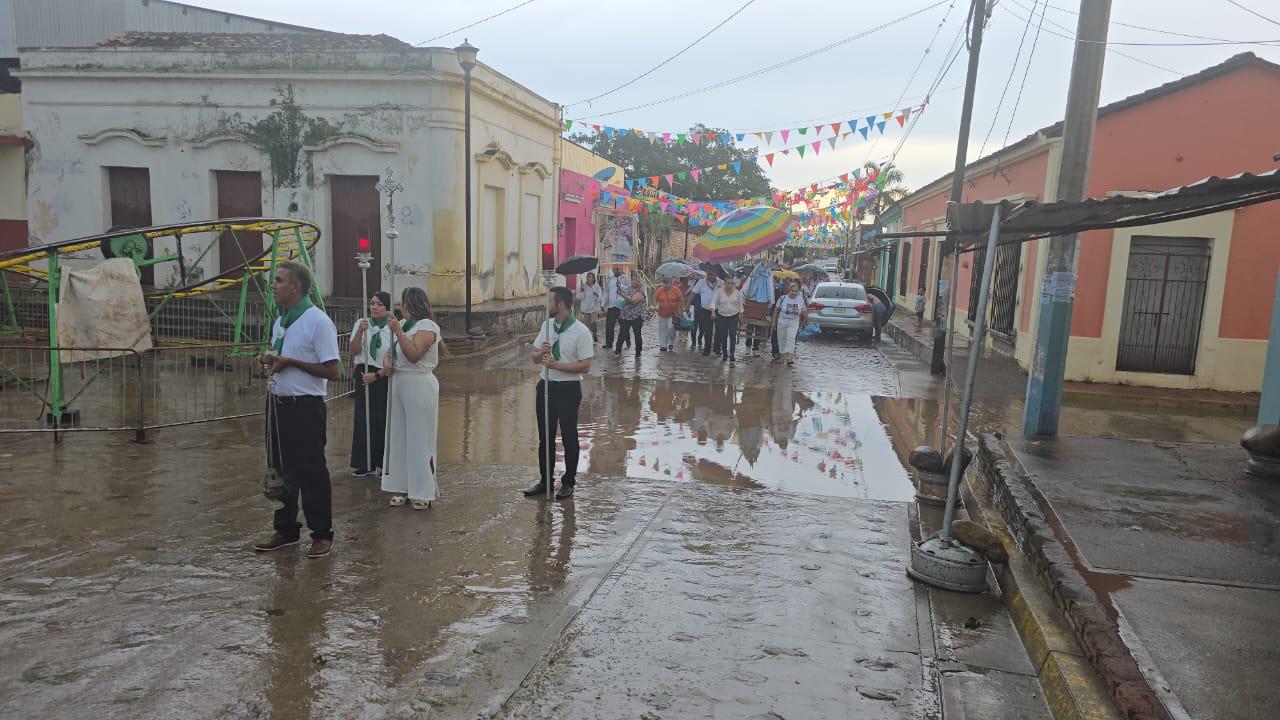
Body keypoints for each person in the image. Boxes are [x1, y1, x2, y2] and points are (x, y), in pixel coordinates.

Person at [254, 260, 340, 559]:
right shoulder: (283, 320)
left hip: (305, 407)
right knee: (280, 468)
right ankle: (286, 529)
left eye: (279, 280)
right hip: (277, 405)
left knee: (311, 471)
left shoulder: (318, 321)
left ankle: (321, 534)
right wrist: (270, 358)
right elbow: (283, 355)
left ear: (296, 286)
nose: (273, 286)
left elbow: (333, 370)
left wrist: (291, 362)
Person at [526, 286, 594, 500]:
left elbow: (585, 365)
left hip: (568, 389)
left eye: (551, 301)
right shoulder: (548, 325)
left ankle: (569, 481)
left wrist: (557, 366)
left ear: (561, 304)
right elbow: (534, 356)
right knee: (545, 436)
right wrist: (541, 353)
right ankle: (546, 480)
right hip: (546, 386)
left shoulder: (581, 331)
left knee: (568, 435)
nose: (548, 305)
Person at [381, 287, 445, 510]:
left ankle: (423, 490)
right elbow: (392, 352)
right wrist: (387, 362)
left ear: (410, 304)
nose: (401, 307)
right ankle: (401, 486)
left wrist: (398, 331)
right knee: (399, 437)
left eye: (403, 302)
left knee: (419, 437)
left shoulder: (427, 326)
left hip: (419, 384)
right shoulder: (404, 326)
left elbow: (414, 354)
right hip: (399, 383)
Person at [348, 291, 393, 477]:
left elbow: (395, 358)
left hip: (382, 375)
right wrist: (360, 331)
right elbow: (353, 350)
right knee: (363, 417)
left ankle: (383, 462)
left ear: (388, 308)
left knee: (382, 418)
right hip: (363, 372)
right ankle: (364, 462)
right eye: (372, 303)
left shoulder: (393, 327)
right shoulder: (362, 323)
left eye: (379, 304)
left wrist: (377, 375)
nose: (374, 307)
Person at [711, 276, 745, 364]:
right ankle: (725, 353)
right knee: (723, 335)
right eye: (728, 283)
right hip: (722, 316)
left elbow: (741, 305)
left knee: (732, 334)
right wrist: (713, 312)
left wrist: (741, 315)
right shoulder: (719, 292)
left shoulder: (737, 293)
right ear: (724, 284)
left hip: (734, 315)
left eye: (732, 283)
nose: (730, 286)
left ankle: (732, 354)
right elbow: (713, 302)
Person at [773, 282, 808, 366]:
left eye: (796, 291)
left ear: (798, 291)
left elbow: (804, 311)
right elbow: (776, 310)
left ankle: (789, 357)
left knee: (791, 339)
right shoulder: (783, 298)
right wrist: (774, 321)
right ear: (789, 290)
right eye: (792, 291)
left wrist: (805, 320)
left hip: (794, 322)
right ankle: (782, 356)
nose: (794, 293)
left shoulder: (800, 299)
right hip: (782, 321)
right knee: (781, 339)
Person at [689, 271, 722, 356]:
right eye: (708, 274)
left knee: (719, 330)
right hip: (705, 309)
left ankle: (717, 349)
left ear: (716, 274)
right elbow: (693, 293)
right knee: (707, 331)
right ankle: (707, 349)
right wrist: (687, 304)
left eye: (712, 274)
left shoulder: (721, 282)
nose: (710, 276)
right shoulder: (701, 282)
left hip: (719, 310)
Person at [613, 276, 646, 358]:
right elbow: (620, 293)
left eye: (636, 280)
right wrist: (618, 287)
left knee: (637, 334)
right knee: (622, 333)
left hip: (636, 316)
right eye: (633, 279)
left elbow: (633, 300)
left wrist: (622, 295)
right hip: (625, 315)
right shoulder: (627, 289)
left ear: (639, 282)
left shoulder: (640, 292)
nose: (634, 281)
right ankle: (617, 351)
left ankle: (638, 353)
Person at [655, 276, 684, 352]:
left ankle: (671, 343)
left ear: (671, 283)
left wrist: (680, 310)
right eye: (664, 283)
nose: (666, 285)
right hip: (662, 313)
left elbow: (681, 299)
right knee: (662, 330)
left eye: (667, 283)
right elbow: (655, 299)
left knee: (671, 328)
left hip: (673, 314)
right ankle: (663, 345)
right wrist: (656, 305)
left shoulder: (676, 290)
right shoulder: (659, 290)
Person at [604, 266, 630, 349]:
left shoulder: (626, 279)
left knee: (623, 325)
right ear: (612, 270)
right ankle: (609, 343)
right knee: (609, 325)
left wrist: (621, 286)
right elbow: (606, 292)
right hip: (612, 306)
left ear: (622, 269)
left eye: (619, 269)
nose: (617, 270)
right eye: (615, 269)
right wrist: (603, 304)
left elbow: (629, 290)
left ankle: (627, 340)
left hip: (622, 306)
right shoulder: (610, 279)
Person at [577, 271, 605, 344]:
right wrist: (582, 291)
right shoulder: (583, 286)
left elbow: (600, 298)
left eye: (591, 277)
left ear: (593, 278)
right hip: (585, 308)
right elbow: (580, 297)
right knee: (587, 324)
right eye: (588, 277)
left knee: (593, 322)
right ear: (586, 278)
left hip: (594, 308)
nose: (590, 278)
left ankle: (595, 335)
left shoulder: (597, 286)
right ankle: (588, 338)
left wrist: (596, 295)